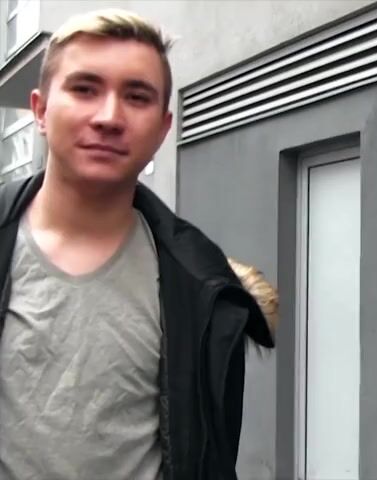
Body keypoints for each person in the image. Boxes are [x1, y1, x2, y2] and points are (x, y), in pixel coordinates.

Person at [0, 9, 276, 480]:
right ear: (41, 111)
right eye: (85, 89)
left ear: (164, 127)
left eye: (136, 96)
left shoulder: (204, 291)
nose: (109, 117)